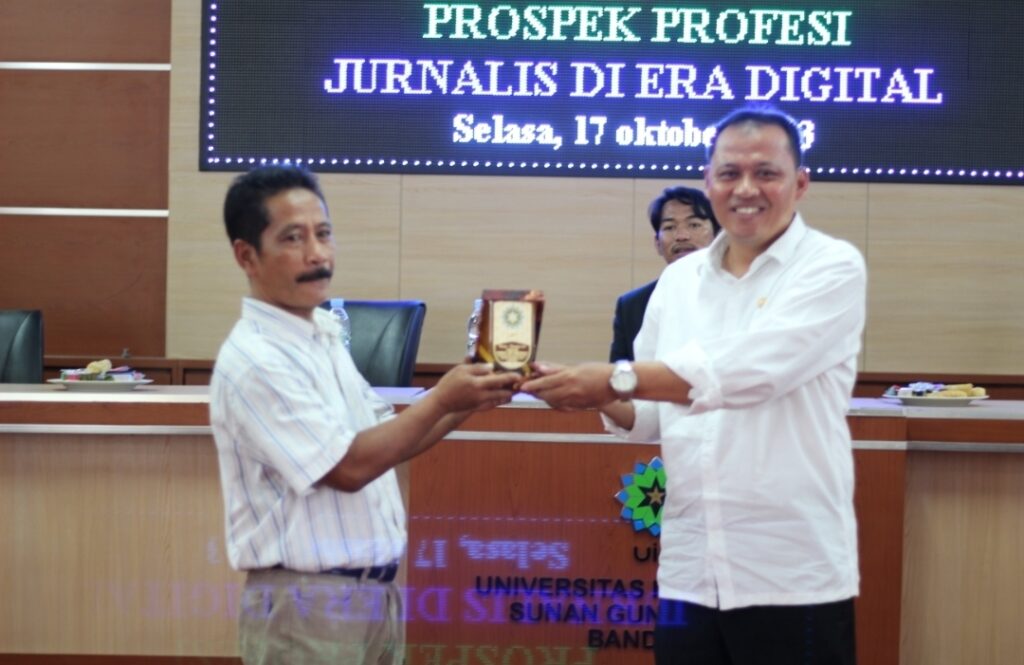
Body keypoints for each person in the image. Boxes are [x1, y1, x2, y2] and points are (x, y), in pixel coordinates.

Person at [522, 106, 865, 665]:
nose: (746, 188)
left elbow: (748, 373)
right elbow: (649, 415)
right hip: (690, 571)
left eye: (766, 173)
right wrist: (578, 389)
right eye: (729, 173)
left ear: (799, 184)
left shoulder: (830, 267)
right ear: (710, 183)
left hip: (790, 573)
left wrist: (612, 377)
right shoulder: (679, 281)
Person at [209, 165, 518, 665]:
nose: (318, 254)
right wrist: (443, 398)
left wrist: (467, 400)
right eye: (293, 238)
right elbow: (348, 467)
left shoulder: (323, 335)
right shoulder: (257, 359)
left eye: (324, 233)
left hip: (374, 597)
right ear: (247, 255)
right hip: (306, 606)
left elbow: (384, 441)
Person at [610, 186, 719, 362]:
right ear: (657, 244)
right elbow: (620, 372)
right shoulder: (632, 305)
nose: (682, 236)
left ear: (718, 236)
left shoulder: (736, 290)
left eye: (694, 225)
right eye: (669, 227)